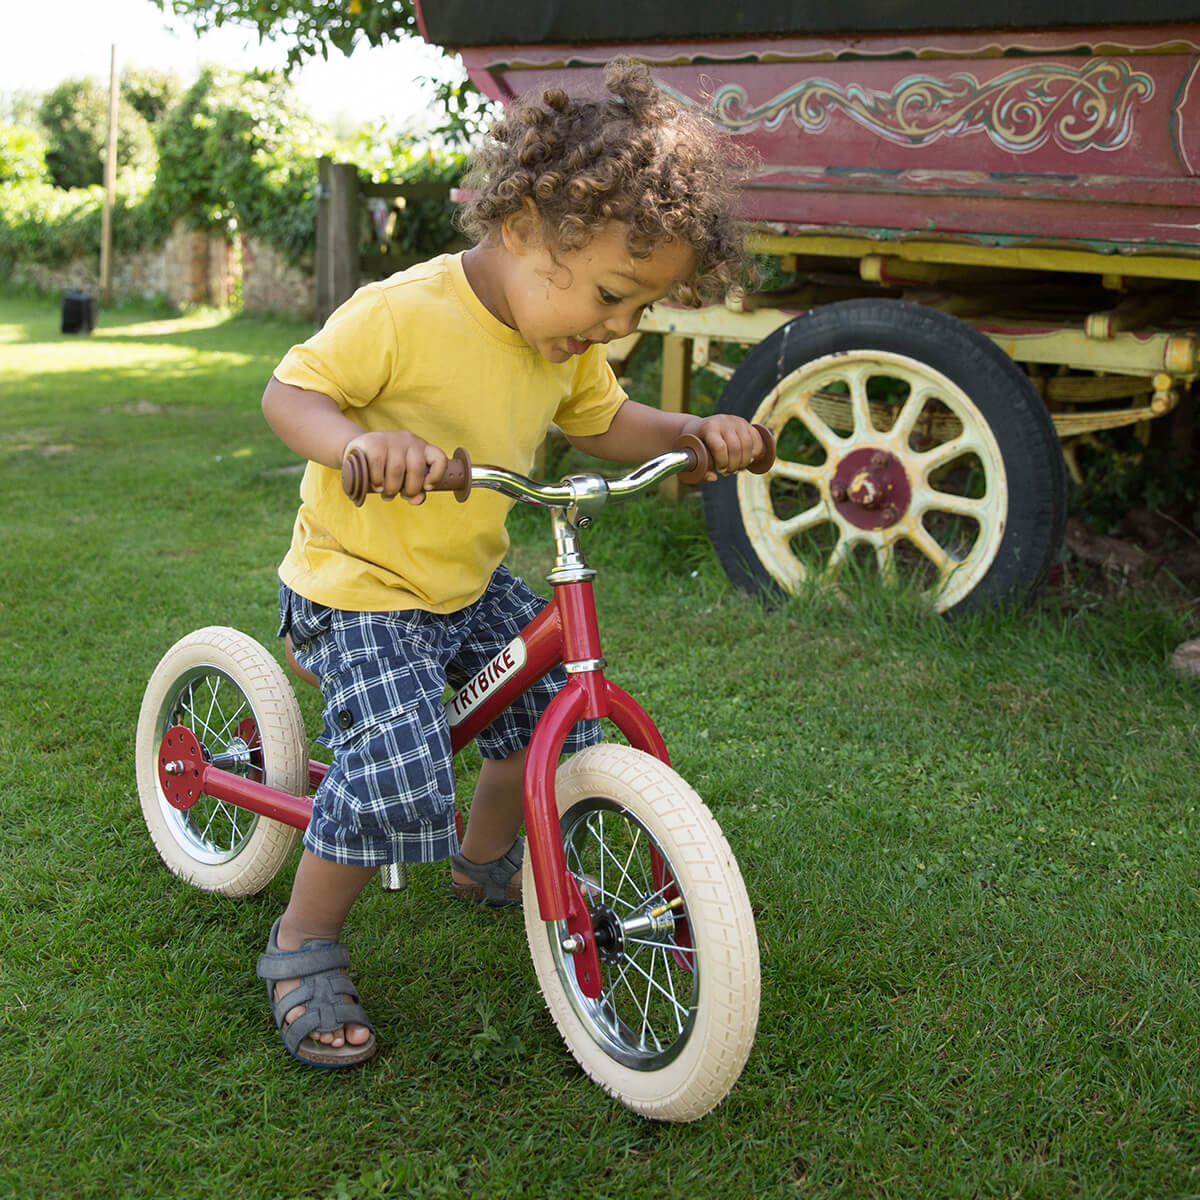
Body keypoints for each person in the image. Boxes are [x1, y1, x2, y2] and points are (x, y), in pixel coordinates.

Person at [254, 58, 764, 1068]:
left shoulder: (561, 343)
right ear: (529, 226)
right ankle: (302, 940)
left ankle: (483, 860)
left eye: (638, 311)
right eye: (612, 296)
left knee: (543, 709)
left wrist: (691, 432)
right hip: (358, 587)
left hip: (463, 580)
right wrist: (360, 444)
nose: (617, 327)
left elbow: (605, 423)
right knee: (398, 774)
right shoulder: (403, 312)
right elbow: (290, 394)